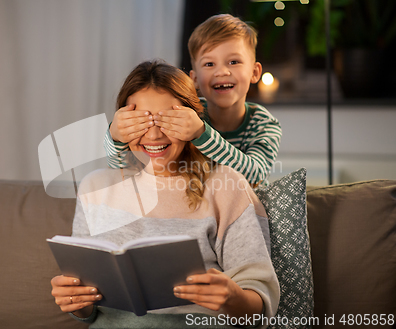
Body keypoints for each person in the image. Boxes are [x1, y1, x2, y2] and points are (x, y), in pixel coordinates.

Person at [51, 60, 279, 328]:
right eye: (141, 122)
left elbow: (259, 307)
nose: (155, 135)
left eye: (168, 120)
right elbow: (87, 311)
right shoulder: (95, 187)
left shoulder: (225, 185)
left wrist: (231, 297)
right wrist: (78, 303)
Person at [105, 14, 282, 187]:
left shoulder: (264, 124)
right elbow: (123, 166)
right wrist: (115, 136)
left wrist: (200, 133)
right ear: (194, 79)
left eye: (233, 62)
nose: (222, 72)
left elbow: (255, 174)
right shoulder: (188, 113)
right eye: (209, 64)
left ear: (255, 72)